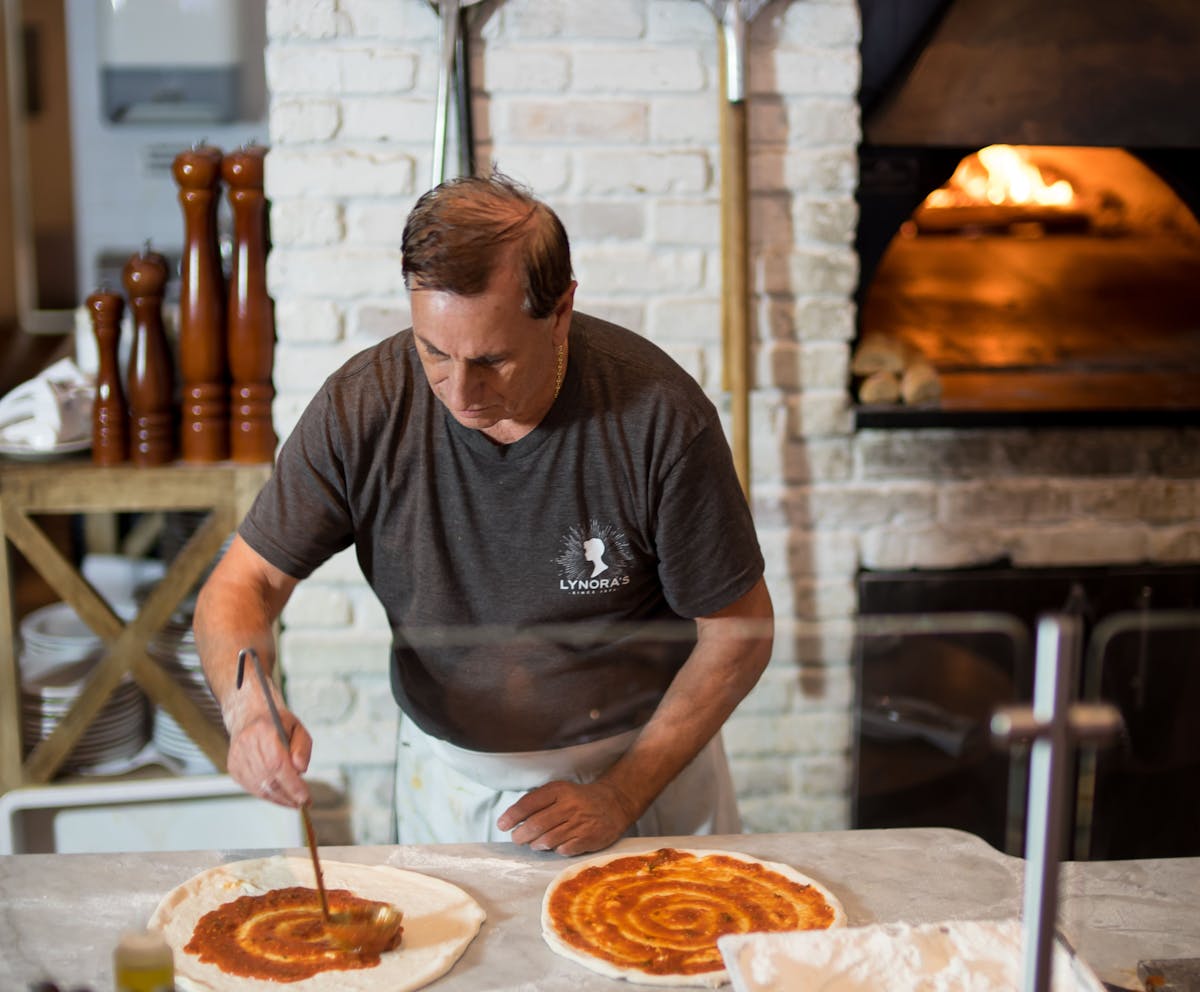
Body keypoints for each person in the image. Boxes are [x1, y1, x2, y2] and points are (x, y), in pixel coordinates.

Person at [194, 170, 773, 856]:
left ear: (560, 312)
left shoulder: (658, 417)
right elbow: (242, 585)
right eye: (433, 351)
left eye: (491, 359)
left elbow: (739, 634)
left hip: (639, 772)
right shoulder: (362, 407)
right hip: (448, 779)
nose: (459, 393)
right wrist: (247, 707)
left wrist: (621, 792)